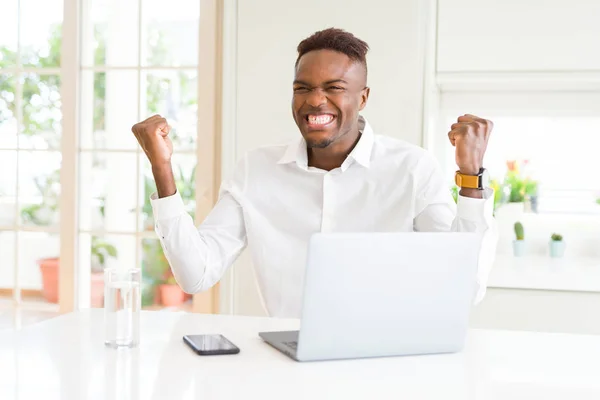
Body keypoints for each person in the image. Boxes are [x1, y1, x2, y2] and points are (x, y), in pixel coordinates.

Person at [132, 28, 497, 318]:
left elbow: (463, 289)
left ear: (363, 97)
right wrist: (161, 168)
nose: (315, 100)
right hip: (286, 366)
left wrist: (471, 176)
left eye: (334, 88)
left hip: (384, 366)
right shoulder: (256, 169)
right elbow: (197, 274)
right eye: (302, 88)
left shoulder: (411, 169)